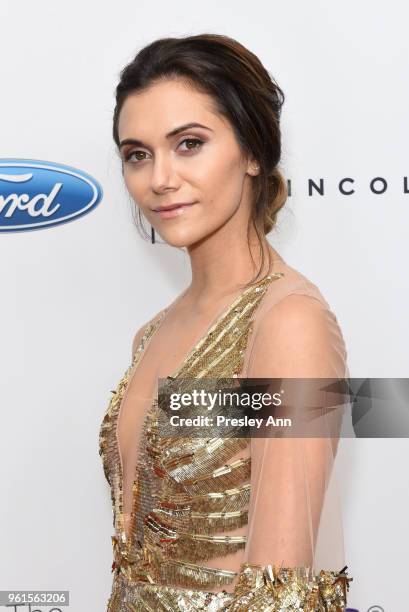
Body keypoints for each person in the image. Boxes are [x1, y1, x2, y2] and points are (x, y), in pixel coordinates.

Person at [99, 33, 353, 610]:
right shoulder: (153, 333)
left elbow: (282, 588)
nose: (159, 177)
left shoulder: (288, 324)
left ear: (254, 152)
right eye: (137, 154)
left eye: (189, 144)